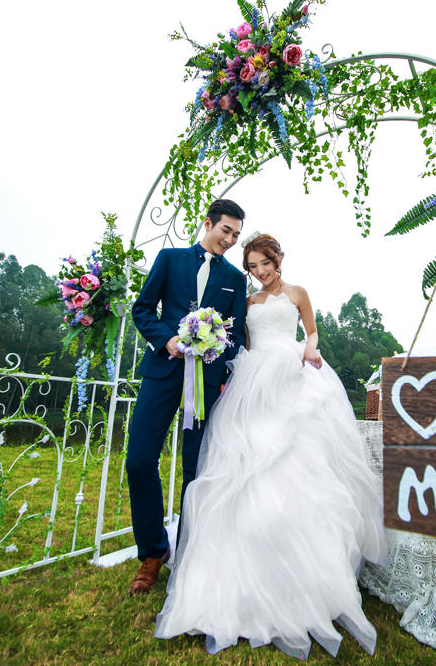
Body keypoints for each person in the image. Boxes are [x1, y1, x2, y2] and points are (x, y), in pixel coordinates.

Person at [155, 233, 387, 659]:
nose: (260, 272)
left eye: (264, 263)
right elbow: (239, 340)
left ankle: (311, 574)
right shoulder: (247, 301)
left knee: (302, 461)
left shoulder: (298, 293)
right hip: (253, 381)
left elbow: (312, 335)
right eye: (253, 267)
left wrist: (310, 353)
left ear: (278, 259)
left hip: (294, 372)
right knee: (244, 461)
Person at [125, 199, 248, 596]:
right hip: (162, 371)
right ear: (208, 223)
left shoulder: (235, 278)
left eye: (235, 235)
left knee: (196, 468)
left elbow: (236, 335)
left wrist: (215, 351)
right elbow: (142, 310)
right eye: (225, 230)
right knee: (139, 459)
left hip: (206, 383)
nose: (229, 240)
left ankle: (192, 552)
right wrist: (169, 340)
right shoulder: (170, 259)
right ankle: (153, 551)